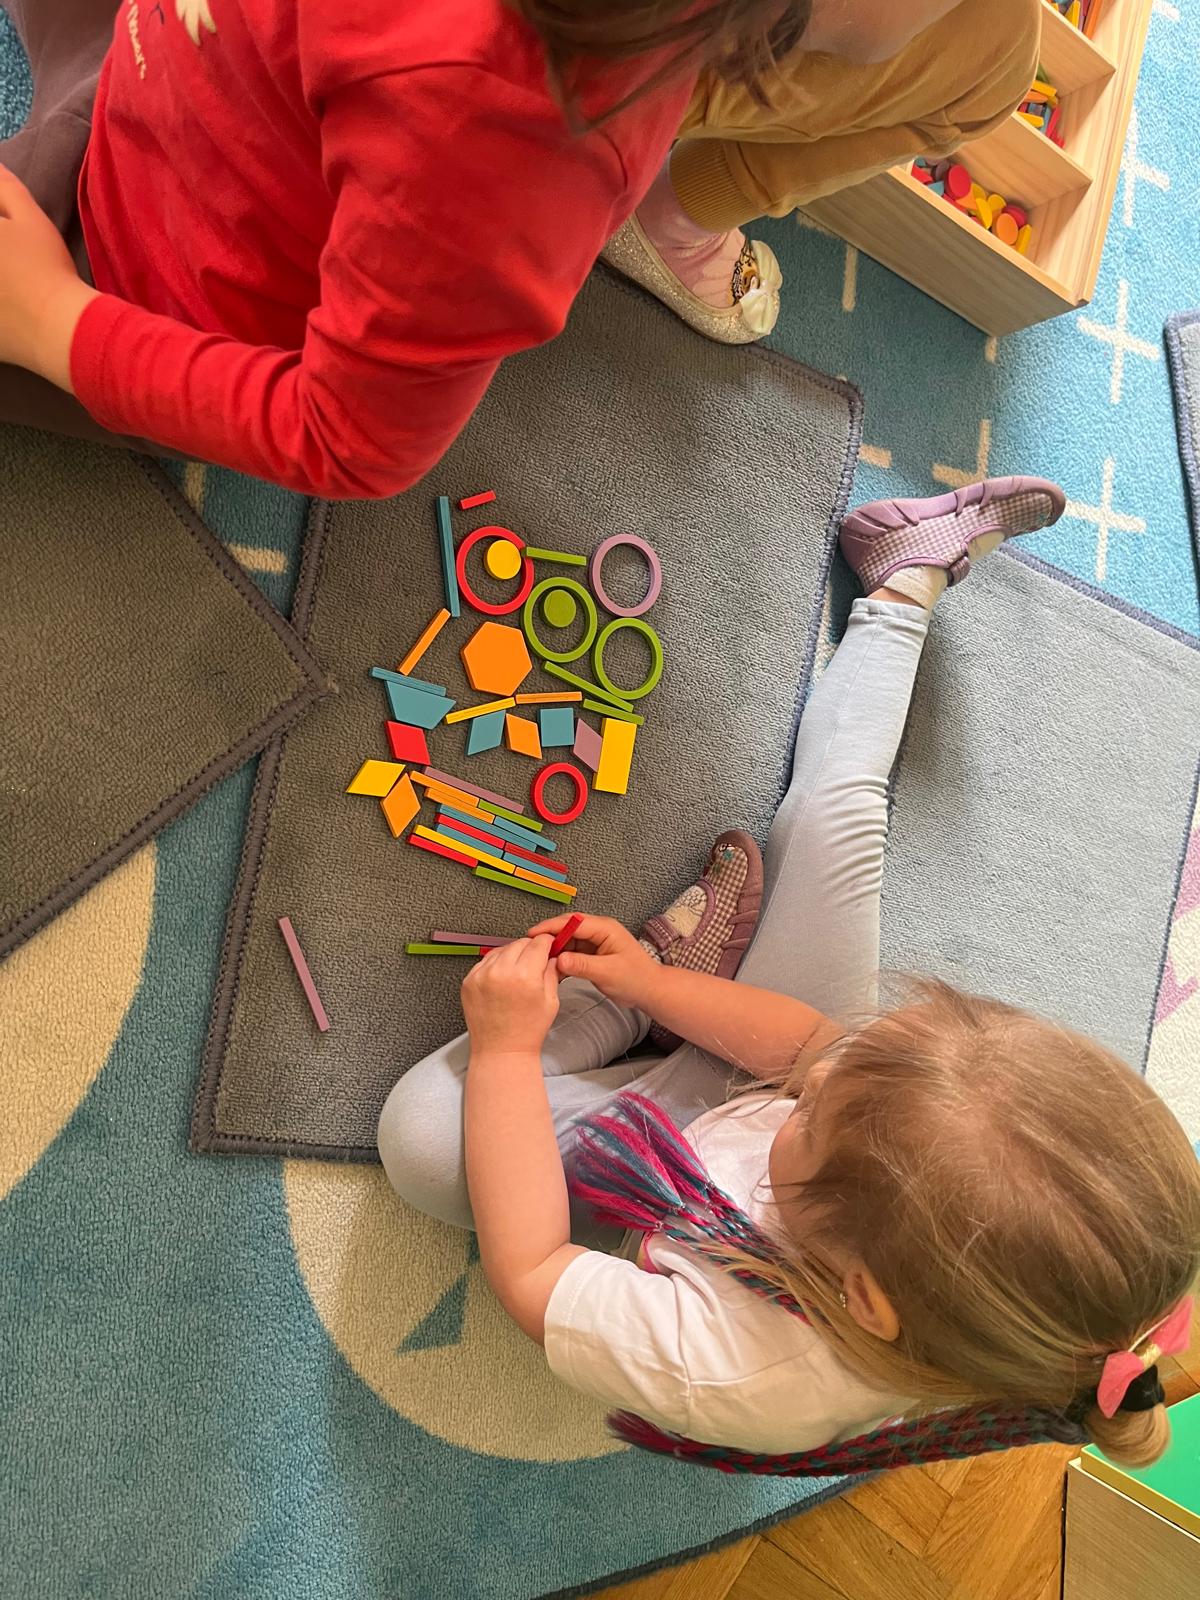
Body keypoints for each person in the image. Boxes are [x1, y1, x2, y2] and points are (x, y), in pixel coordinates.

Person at [378, 476, 1200, 1472]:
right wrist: (652, 986)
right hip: (765, 1142)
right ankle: (903, 584)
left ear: (863, 1299)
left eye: (811, 1108)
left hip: (662, 1184)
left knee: (424, 1142)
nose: (809, 1082)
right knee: (838, 815)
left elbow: (533, 1270)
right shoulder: (912, 1130)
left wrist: (511, 1050)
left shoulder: (740, 1369)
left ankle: (618, 1012)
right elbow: (809, 1044)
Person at [0, 0, 1039, 496]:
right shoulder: (506, 130)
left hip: (209, 84)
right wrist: (54, 319)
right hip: (143, 280)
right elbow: (345, 439)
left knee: (1002, 48)